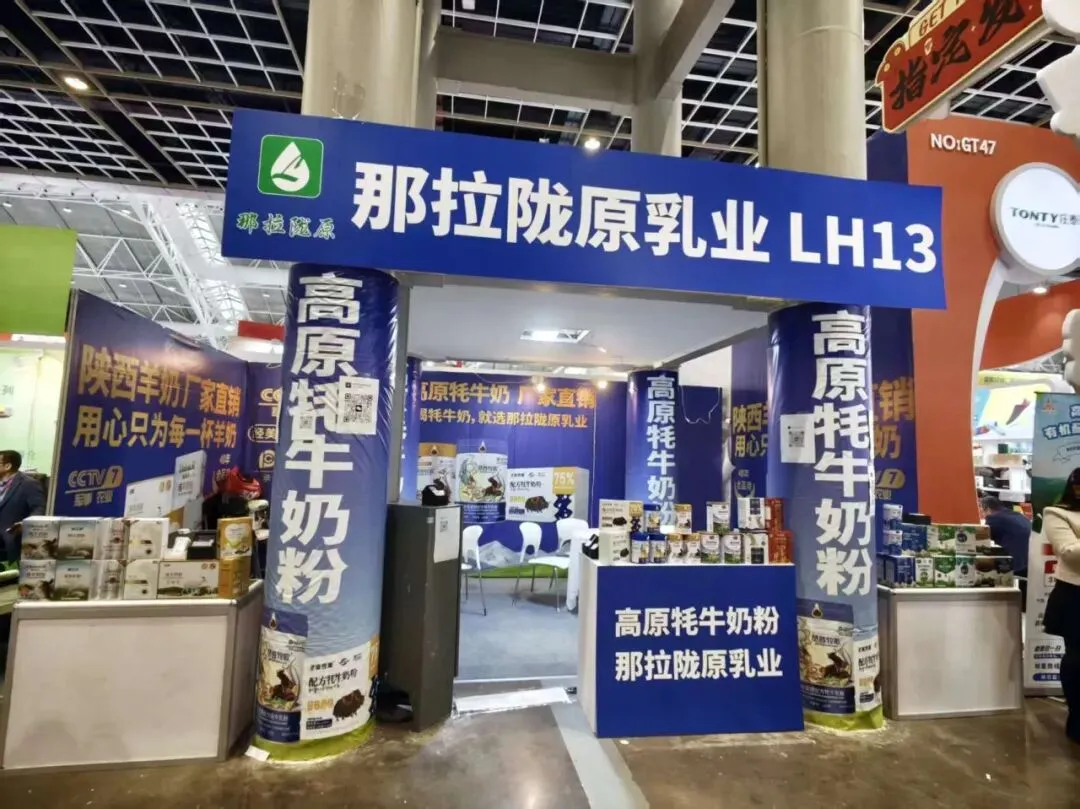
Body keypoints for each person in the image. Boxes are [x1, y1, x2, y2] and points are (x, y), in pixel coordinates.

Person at [1041, 467, 1080, 744]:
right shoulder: (1056, 513)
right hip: (1075, 596)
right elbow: (1069, 553)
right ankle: (1077, 720)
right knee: (1078, 660)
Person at [980, 495, 1031, 602]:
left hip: (1014, 567)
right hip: (1029, 565)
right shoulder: (1018, 515)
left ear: (987, 509)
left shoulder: (994, 519)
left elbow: (980, 541)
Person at [0, 450, 46, 564]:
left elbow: (39, 509)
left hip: (10, 539)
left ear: (7, 466)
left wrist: (24, 524)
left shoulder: (29, 484)